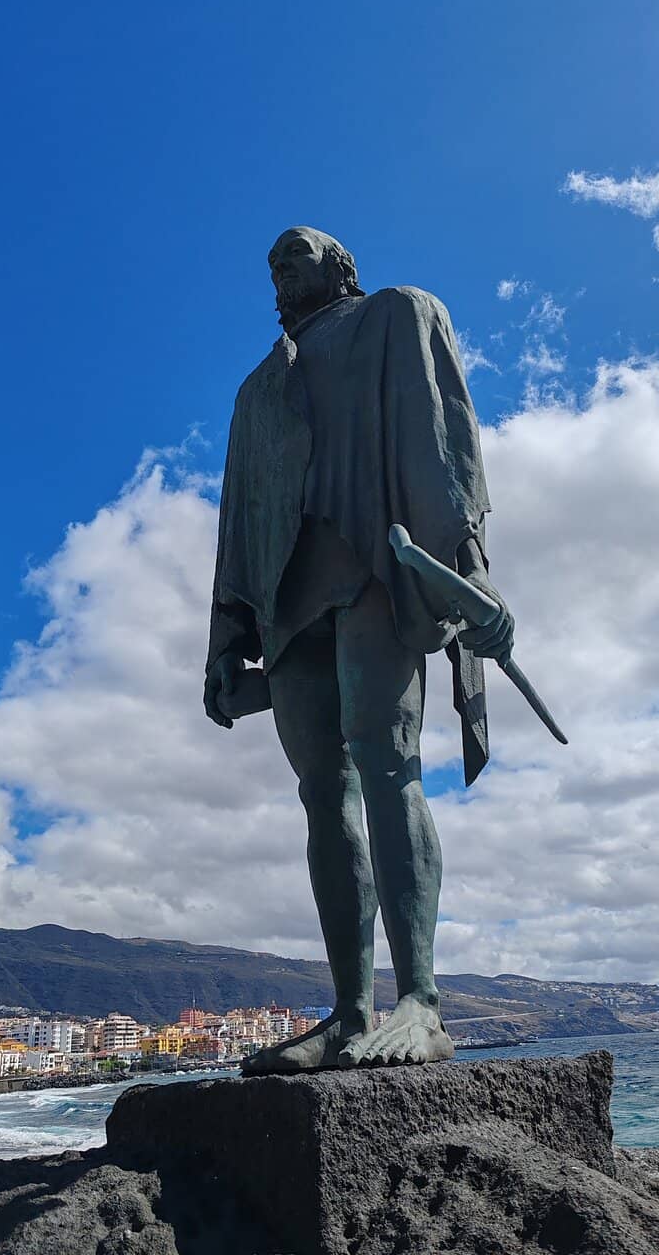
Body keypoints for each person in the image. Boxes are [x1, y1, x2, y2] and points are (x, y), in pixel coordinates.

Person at [204, 227, 513, 1071]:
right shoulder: (258, 387)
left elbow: (447, 442)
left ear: (340, 265)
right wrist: (227, 637)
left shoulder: (394, 314)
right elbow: (238, 514)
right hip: (288, 598)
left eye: (295, 254)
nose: (280, 268)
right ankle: (348, 1013)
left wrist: (471, 570)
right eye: (271, 263)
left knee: (387, 761)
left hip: (377, 566)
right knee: (321, 793)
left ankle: (421, 1002)